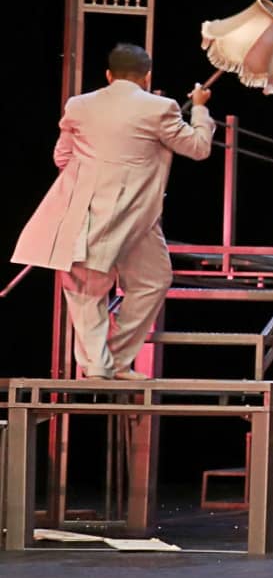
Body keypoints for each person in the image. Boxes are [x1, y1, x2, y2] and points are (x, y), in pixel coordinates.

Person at [12, 44, 214, 379]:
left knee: (94, 288)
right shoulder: (160, 108)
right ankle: (108, 363)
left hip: (96, 212)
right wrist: (201, 109)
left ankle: (105, 363)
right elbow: (198, 147)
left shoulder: (79, 105)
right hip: (135, 214)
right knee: (145, 282)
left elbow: (62, 157)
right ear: (146, 76)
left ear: (108, 75)